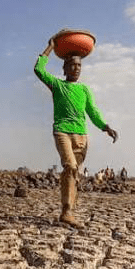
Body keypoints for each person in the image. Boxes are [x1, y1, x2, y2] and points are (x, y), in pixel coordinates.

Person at [34, 38, 119, 228]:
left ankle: (67, 212)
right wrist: (51, 47)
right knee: (70, 166)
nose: (76, 68)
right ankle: (67, 210)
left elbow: (93, 111)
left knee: (72, 174)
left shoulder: (84, 89)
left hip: (81, 136)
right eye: (72, 65)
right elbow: (39, 70)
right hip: (62, 131)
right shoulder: (57, 86)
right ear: (64, 69)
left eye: (79, 65)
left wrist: (105, 127)